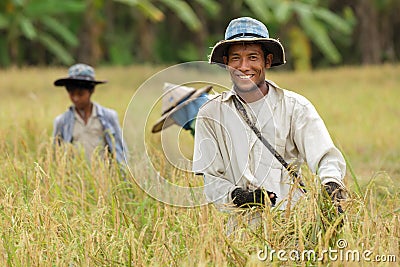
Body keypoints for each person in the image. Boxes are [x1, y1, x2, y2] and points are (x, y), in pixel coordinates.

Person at [193, 17, 346, 211]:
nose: (244, 66)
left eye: (253, 57)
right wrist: (241, 197)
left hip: (292, 223)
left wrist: (331, 187)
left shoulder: (295, 107)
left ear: (267, 60)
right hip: (239, 232)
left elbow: (326, 157)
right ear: (226, 63)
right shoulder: (211, 114)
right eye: (235, 58)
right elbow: (211, 180)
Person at [53, 63, 126, 164]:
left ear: (92, 90)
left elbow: (120, 150)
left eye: (80, 94)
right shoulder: (62, 121)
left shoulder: (108, 117)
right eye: (72, 94)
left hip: (104, 176)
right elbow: (56, 155)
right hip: (76, 177)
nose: (76, 98)